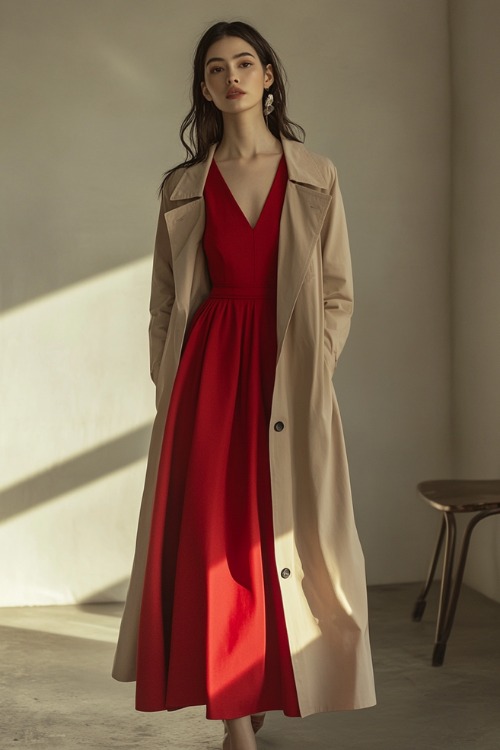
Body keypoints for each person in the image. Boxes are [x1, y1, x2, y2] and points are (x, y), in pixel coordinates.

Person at [112, 20, 376, 750]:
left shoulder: (316, 175)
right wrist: (171, 382)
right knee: (217, 540)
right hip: (210, 373)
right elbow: (165, 302)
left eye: (245, 63)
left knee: (274, 537)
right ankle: (235, 719)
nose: (232, 76)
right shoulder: (181, 187)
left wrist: (316, 363)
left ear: (267, 76)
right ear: (204, 87)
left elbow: (337, 291)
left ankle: (261, 681)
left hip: (286, 371)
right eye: (216, 68)